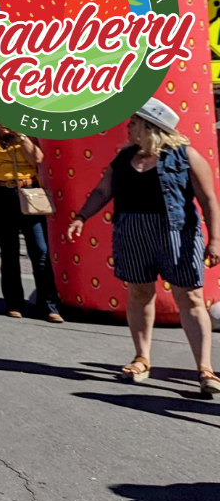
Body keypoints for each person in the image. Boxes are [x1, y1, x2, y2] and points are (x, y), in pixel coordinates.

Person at [64, 97, 220, 394]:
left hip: (178, 232)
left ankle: (205, 368)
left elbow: (209, 199)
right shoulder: (124, 158)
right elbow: (102, 190)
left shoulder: (186, 155)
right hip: (132, 230)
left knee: (191, 298)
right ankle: (142, 358)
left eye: (133, 122)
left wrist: (216, 240)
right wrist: (82, 217)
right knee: (138, 292)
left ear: (150, 126)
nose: (128, 126)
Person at [0, 117, 63, 322]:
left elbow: (37, 158)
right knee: (9, 252)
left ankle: (49, 305)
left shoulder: (25, 135)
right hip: (0, 194)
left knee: (40, 251)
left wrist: (20, 134)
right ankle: (14, 303)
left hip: (29, 192)